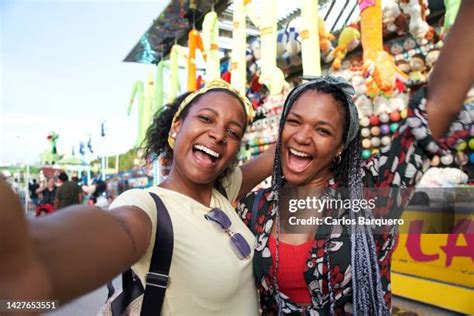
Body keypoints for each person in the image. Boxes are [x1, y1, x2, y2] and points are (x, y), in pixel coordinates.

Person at [237, 3, 474, 315]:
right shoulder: (255, 209)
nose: (303, 136)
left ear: (340, 146)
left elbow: (440, 104)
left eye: (322, 129)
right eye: (294, 122)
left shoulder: (372, 190)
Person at [0, 79, 274, 315]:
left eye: (233, 132)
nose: (218, 134)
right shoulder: (148, 206)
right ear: (176, 128)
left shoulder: (223, 192)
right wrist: (34, 257)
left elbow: (275, 154)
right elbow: (120, 228)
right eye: (206, 118)